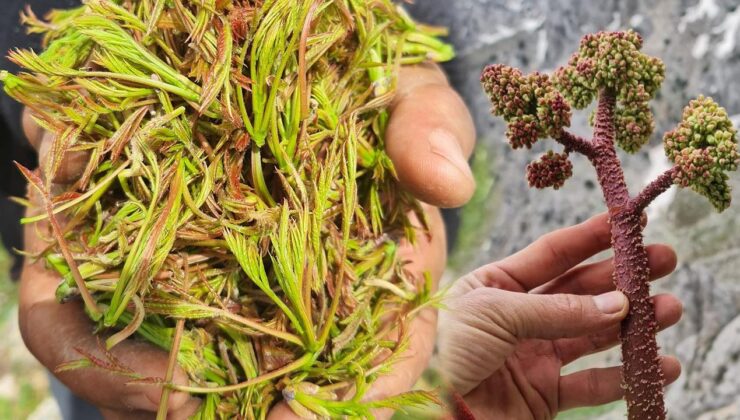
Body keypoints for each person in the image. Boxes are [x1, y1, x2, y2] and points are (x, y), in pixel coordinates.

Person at [0, 1, 683, 419]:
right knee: (120, 392)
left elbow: (416, 57)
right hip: (125, 333)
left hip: (346, 312)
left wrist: (392, 42)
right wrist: (63, 99)